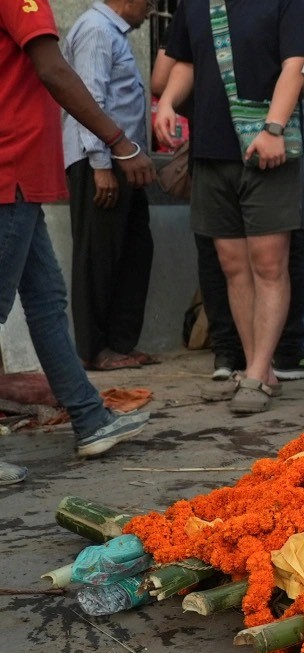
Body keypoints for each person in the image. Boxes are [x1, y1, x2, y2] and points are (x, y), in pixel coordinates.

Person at [1, 0, 154, 483]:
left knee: (46, 301)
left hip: (21, 174)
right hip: (11, 172)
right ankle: (90, 419)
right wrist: (118, 141)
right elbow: (54, 70)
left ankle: (90, 419)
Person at [155, 0, 304, 414]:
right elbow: (186, 63)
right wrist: (169, 101)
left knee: (268, 263)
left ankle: (259, 371)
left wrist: (274, 127)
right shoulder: (195, 4)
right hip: (211, 150)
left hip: (266, 150)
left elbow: (295, 66)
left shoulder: (287, 3)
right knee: (232, 265)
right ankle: (256, 369)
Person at [62, 0, 156, 372]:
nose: (151, 10)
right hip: (101, 159)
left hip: (125, 160)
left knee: (134, 250)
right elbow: (89, 100)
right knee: (98, 255)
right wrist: (100, 164)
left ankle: (119, 343)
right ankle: (93, 348)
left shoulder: (112, 33)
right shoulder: (96, 29)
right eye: (149, 2)